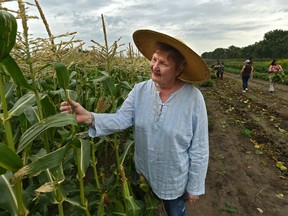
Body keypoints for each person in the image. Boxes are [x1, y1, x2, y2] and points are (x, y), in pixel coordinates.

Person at [60, 29, 210, 216]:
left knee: (175, 213)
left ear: (178, 70)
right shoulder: (140, 90)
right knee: (145, 208)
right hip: (143, 172)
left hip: (173, 177)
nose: (155, 66)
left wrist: (195, 185)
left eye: (163, 63)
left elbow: (199, 146)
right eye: (154, 59)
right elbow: (122, 118)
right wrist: (90, 117)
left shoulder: (193, 98)